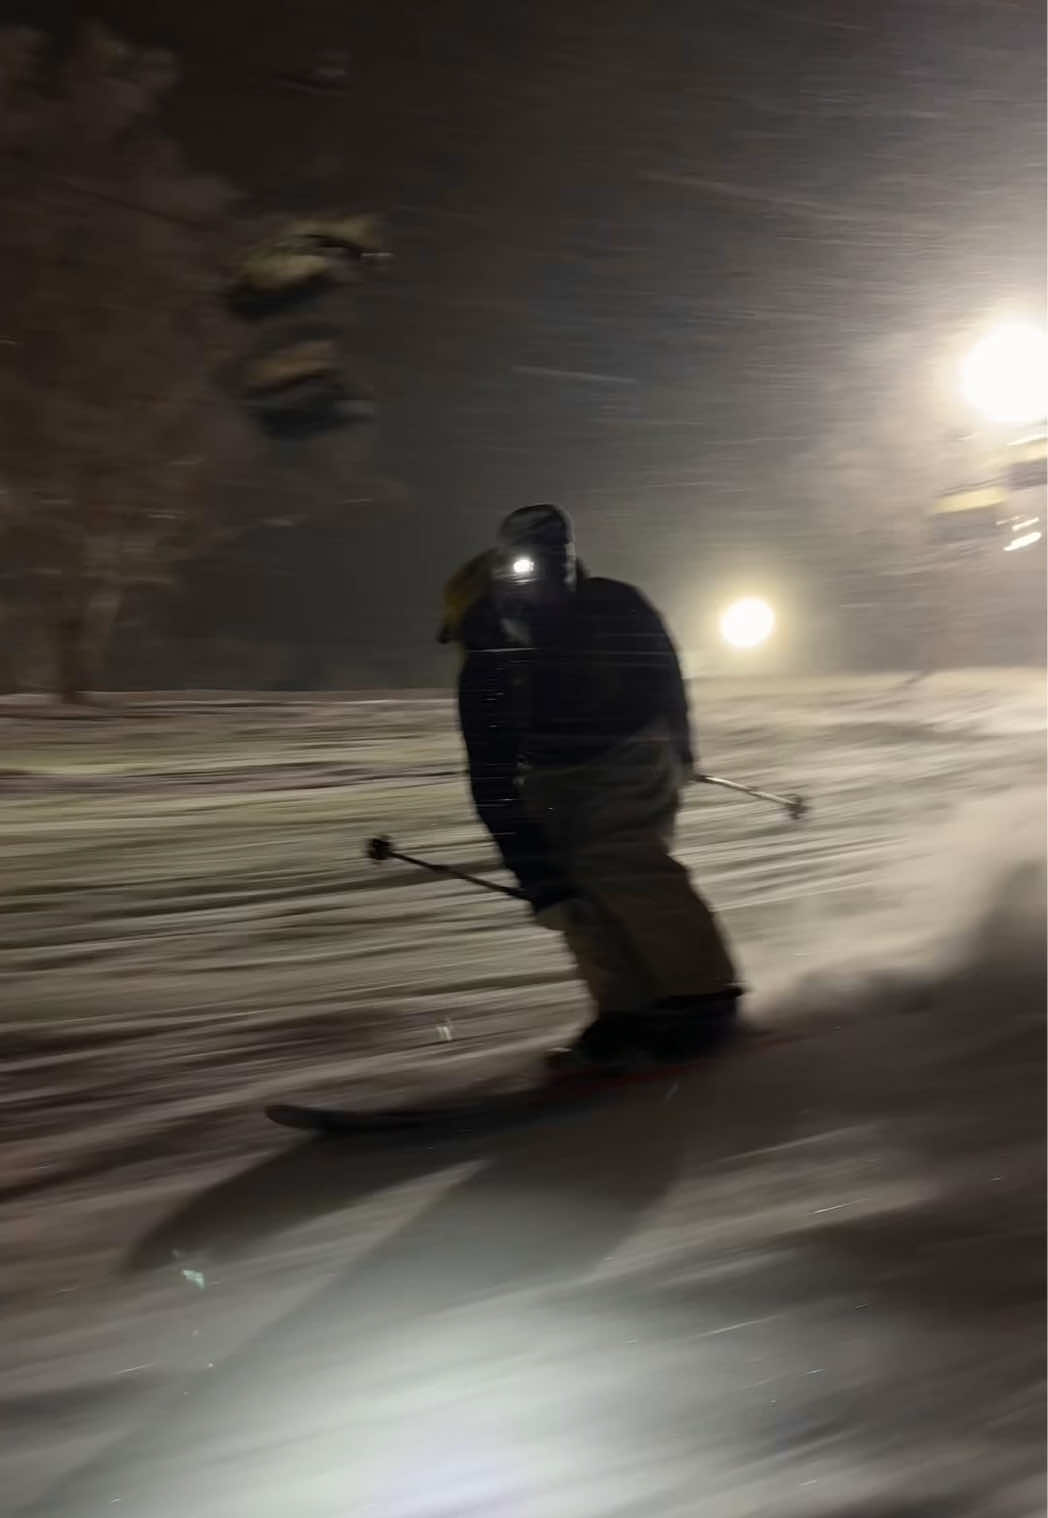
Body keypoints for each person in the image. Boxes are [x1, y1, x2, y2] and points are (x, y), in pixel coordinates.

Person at [439, 506, 741, 1070]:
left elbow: (661, 669)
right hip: (556, 772)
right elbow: (492, 782)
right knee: (573, 887)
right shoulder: (485, 671)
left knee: (617, 856)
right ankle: (629, 1010)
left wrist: (678, 741)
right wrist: (542, 881)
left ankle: (703, 996)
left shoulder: (610, 606)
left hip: (633, 748)